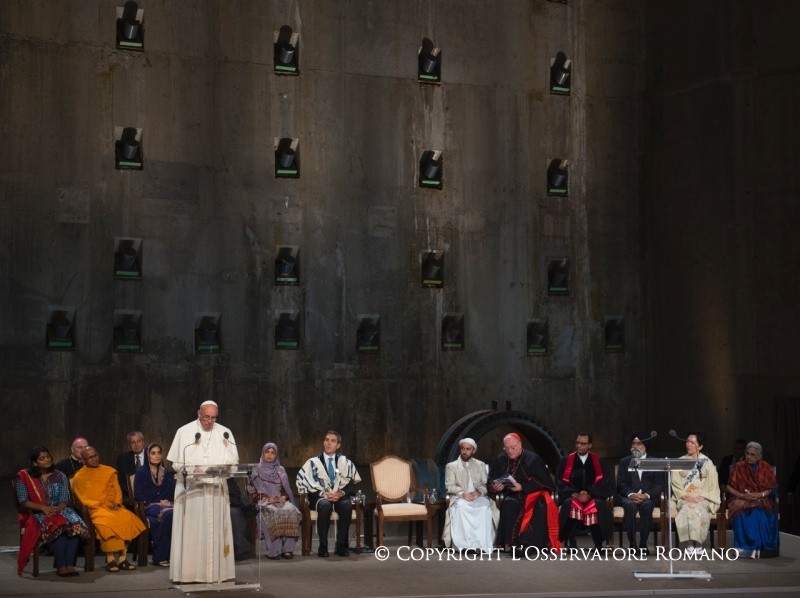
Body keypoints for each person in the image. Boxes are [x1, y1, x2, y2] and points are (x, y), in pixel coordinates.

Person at [166, 400, 238, 583]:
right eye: (206, 417)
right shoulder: (184, 432)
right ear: (199, 413)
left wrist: (226, 468)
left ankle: (216, 574)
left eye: (213, 418)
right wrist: (191, 468)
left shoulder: (224, 433)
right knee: (193, 531)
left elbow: (234, 463)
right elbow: (175, 463)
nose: (209, 422)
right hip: (193, 492)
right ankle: (190, 573)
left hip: (216, 491)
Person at [15, 446, 90, 577]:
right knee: (59, 528)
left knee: (75, 526)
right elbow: (23, 501)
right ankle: (61, 566)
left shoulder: (59, 475)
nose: (47, 460)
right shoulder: (25, 477)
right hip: (38, 512)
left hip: (61, 509)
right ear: (34, 462)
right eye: (42, 458)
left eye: (48, 457)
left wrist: (58, 509)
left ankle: (70, 565)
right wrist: (44, 508)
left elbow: (64, 499)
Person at [71, 446, 147, 572]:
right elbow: (82, 498)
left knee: (127, 518)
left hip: (113, 507)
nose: (94, 459)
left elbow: (117, 490)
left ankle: (123, 559)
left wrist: (116, 503)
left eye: (95, 455)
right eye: (90, 458)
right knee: (107, 523)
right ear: (83, 460)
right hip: (95, 510)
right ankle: (110, 559)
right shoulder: (79, 476)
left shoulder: (109, 471)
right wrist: (100, 505)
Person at [488, 432, 559, 550]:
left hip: (533, 494)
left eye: (513, 448)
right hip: (512, 495)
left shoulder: (533, 459)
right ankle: (513, 545)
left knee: (539, 505)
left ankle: (533, 545)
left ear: (520, 444)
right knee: (509, 504)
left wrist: (523, 487)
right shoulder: (500, 459)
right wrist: (495, 487)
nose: (509, 451)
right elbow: (491, 480)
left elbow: (546, 483)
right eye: (507, 448)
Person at [296, 430, 361, 557]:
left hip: (339, 496)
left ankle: (341, 546)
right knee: (325, 505)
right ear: (323, 443)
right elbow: (305, 483)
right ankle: (323, 546)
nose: (328, 443)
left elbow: (352, 484)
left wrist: (341, 493)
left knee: (346, 505)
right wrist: (323, 494)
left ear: (338, 445)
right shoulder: (312, 462)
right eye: (326, 440)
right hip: (319, 497)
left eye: (333, 441)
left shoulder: (345, 462)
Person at [556, 433, 614, 550]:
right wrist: (575, 494)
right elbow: (559, 483)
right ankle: (570, 542)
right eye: (577, 443)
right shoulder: (565, 461)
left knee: (598, 505)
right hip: (573, 495)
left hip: (594, 496)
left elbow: (606, 484)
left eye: (583, 443)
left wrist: (589, 494)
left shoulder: (600, 462)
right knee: (569, 503)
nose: (579, 446)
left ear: (590, 445)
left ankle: (599, 545)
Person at [443, 438, 499, 553]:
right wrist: (462, 493)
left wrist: (478, 493)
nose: (465, 451)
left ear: (473, 451)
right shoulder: (451, 466)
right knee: (461, 508)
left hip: (477, 497)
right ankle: (464, 546)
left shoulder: (480, 465)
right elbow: (449, 486)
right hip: (460, 497)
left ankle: (481, 545)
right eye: (463, 449)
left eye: (468, 449)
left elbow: (484, 485)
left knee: (484, 507)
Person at [725, 441, 779, 558]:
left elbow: (774, 489)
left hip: (762, 499)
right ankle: (745, 549)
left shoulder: (765, 467)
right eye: (747, 453)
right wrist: (741, 495)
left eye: (752, 454)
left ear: (759, 456)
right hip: (742, 498)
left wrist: (760, 494)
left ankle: (762, 549)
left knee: (759, 513)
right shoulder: (739, 466)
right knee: (742, 512)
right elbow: (729, 486)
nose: (749, 456)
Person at [248, 442, 302, 559]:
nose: (269, 455)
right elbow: (252, 492)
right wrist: (266, 498)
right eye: (267, 452)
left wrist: (284, 497)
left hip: (279, 500)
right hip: (265, 502)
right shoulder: (256, 470)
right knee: (272, 512)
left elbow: (285, 489)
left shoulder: (280, 470)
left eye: (273, 453)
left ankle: (287, 549)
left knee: (291, 510)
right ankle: (273, 551)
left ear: (276, 455)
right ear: (263, 453)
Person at [671, 430, 720, 554]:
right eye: (687, 441)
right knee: (688, 508)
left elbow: (712, 484)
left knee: (697, 509)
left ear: (700, 446)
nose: (688, 444)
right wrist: (685, 496)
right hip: (684, 496)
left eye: (692, 442)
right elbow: (675, 482)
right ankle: (689, 543)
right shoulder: (680, 461)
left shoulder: (707, 463)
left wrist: (702, 497)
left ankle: (698, 542)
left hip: (702, 497)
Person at [616, 431, 663, 554]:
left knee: (647, 506)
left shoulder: (655, 462)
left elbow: (659, 484)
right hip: (629, 497)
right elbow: (621, 483)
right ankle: (632, 544)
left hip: (648, 497)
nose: (635, 446)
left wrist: (646, 495)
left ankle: (643, 544)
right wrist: (631, 494)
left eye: (639, 443)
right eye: (633, 443)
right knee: (629, 505)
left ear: (645, 446)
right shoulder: (624, 462)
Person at [133, 443, 175, 567]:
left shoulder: (166, 472)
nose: (157, 456)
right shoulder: (141, 472)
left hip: (166, 506)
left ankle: (164, 556)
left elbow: (170, 492)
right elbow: (139, 495)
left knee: (170, 515)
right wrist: (157, 502)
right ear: (148, 456)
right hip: (147, 506)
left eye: (159, 453)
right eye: (153, 453)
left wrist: (165, 501)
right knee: (168, 514)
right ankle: (161, 557)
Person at [115, 431, 145, 507]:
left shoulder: (152, 456)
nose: (136, 445)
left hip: (150, 494)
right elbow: (121, 481)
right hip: (130, 496)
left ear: (143, 442)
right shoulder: (122, 459)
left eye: (139, 441)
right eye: (133, 442)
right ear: (129, 445)